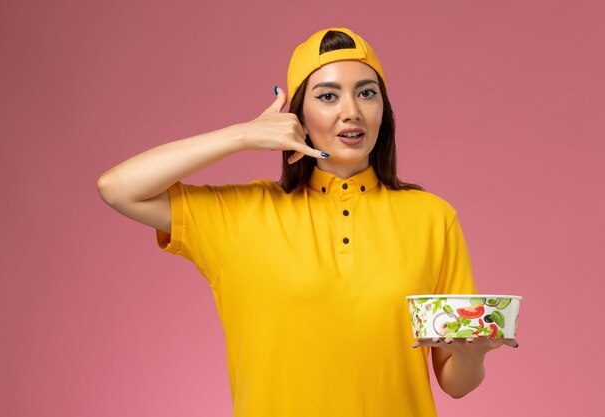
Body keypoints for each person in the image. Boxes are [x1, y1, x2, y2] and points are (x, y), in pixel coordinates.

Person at [98, 27, 518, 417]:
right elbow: (118, 187)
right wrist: (242, 135)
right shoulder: (244, 214)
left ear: (383, 111)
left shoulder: (432, 217)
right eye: (328, 96)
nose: (350, 112)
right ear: (298, 114)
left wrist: (473, 352)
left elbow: (456, 385)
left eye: (366, 93)